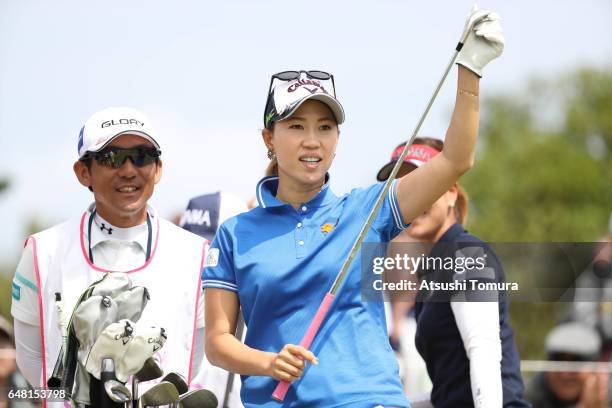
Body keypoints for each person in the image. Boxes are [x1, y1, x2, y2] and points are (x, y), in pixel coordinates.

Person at [203, 8, 505, 407]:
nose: (313, 140)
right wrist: (269, 362)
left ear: (337, 138)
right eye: (296, 126)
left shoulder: (368, 208)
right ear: (269, 137)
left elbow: (455, 160)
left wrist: (470, 70)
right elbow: (218, 342)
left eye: (325, 127)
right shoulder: (235, 233)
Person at [10, 107, 208, 407]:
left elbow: (194, 357)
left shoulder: (197, 254)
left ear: (158, 168)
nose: (128, 170)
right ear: (83, 172)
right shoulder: (42, 251)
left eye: (142, 155)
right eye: (112, 157)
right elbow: (32, 359)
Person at [378, 137, 530, 407]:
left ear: (451, 193)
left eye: (425, 183)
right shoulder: (434, 268)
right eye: (404, 187)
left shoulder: (466, 254)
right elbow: (450, 389)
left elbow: (483, 351)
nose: (416, 196)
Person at [524, 322, 609, 408]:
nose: (565, 374)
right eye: (558, 362)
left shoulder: (608, 394)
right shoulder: (529, 394)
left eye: (576, 363)